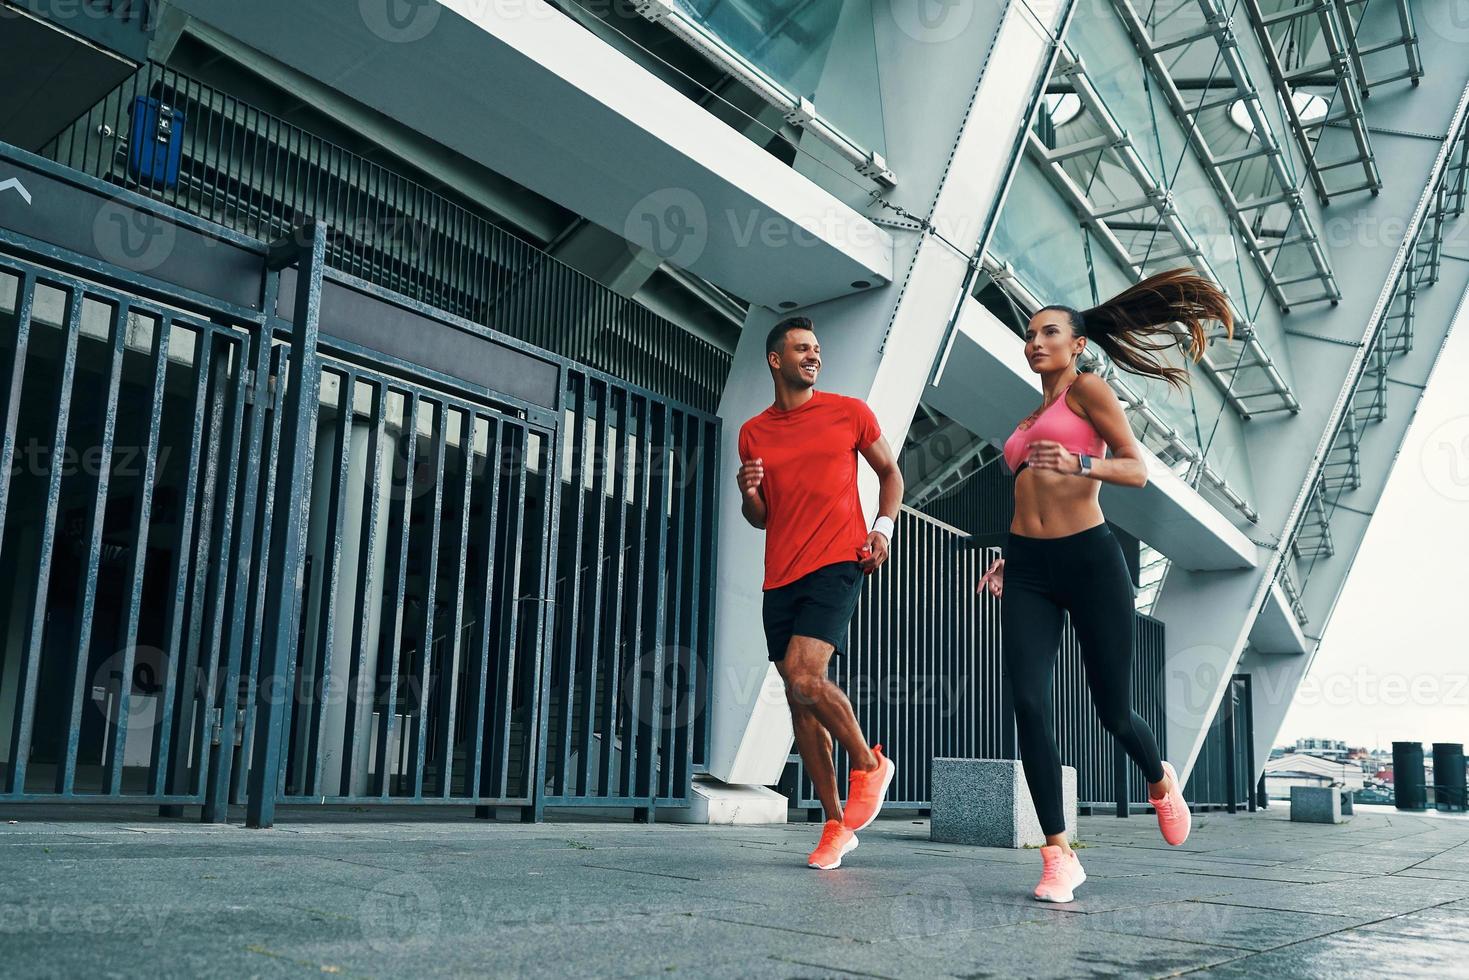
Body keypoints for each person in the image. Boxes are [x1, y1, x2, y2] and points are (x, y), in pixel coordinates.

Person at [976, 269, 1230, 903]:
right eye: (1030, 333)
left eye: (1049, 332)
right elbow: (1025, 490)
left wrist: (1078, 461)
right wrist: (1009, 557)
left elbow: (1136, 469)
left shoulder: (1086, 390)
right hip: (1028, 566)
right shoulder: (1029, 412)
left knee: (1111, 710)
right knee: (1029, 703)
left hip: (1090, 560)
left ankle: (1159, 778)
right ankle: (1058, 854)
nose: (1034, 341)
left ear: (1076, 344)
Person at [737, 315, 902, 870]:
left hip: (838, 560)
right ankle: (834, 824)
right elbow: (760, 517)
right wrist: (749, 493)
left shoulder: (848, 412)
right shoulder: (753, 432)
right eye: (801, 349)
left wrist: (882, 529)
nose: (813, 356)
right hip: (779, 575)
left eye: (817, 349)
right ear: (775, 359)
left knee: (807, 676)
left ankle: (869, 763)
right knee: (799, 700)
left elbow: (890, 473)